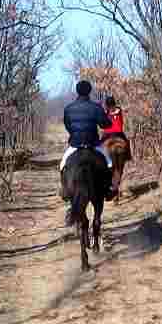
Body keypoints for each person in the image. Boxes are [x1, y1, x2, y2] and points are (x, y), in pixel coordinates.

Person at [60, 80, 117, 225]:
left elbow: (68, 125)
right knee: (109, 162)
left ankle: (65, 190)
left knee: (63, 165)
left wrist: (75, 133)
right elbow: (106, 124)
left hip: (75, 145)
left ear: (77, 91)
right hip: (93, 145)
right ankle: (109, 189)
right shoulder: (95, 107)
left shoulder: (69, 108)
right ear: (89, 91)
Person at [100, 96, 132, 161]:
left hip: (107, 133)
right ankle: (128, 156)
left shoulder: (106, 112)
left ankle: (101, 159)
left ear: (107, 105)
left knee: (100, 145)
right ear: (114, 103)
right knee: (126, 142)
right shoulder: (119, 110)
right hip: (119, 133)